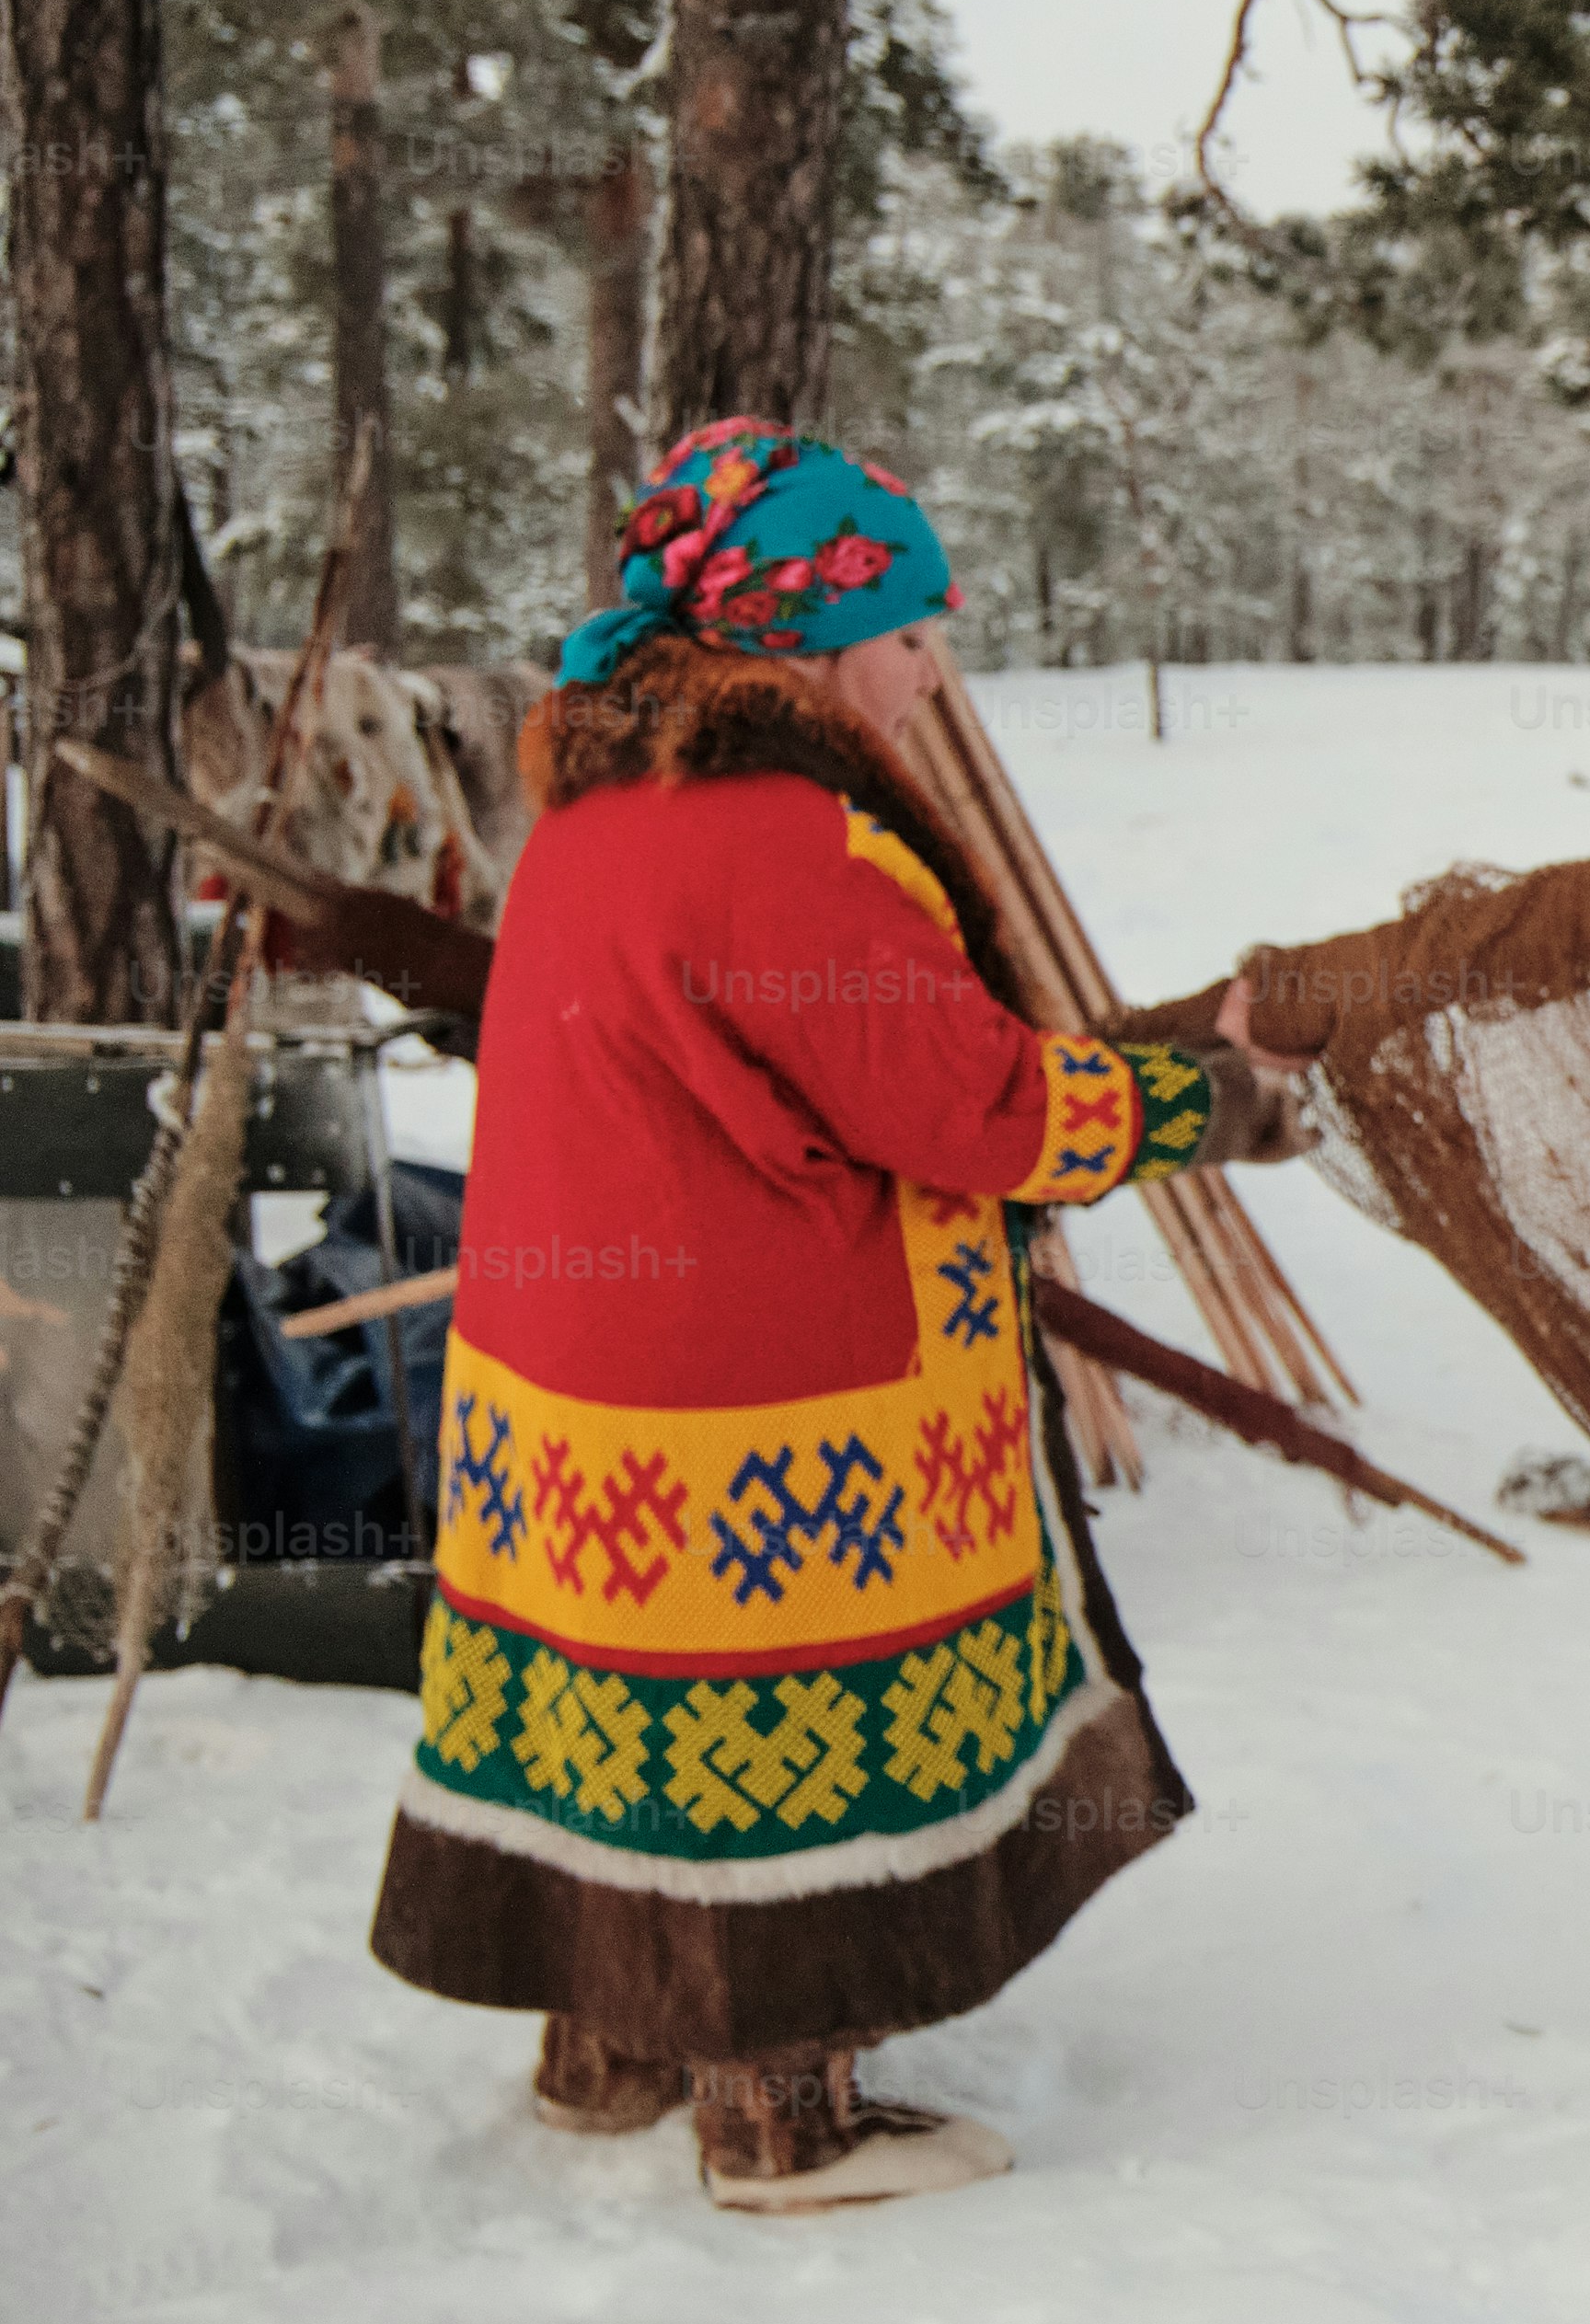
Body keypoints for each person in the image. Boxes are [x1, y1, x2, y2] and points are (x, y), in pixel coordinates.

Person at [370, 421, 1304, 2213]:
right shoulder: (789, 840)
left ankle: (608, 2044)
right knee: (760, 1748)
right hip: (769, 1419)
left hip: (567, 1409)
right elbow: (982, 1112)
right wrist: (1215, 1100)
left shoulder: (585, 821)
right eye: (908, 621)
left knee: (602, 1725)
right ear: (802, 632)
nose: (931, 663)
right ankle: (780, 2113)